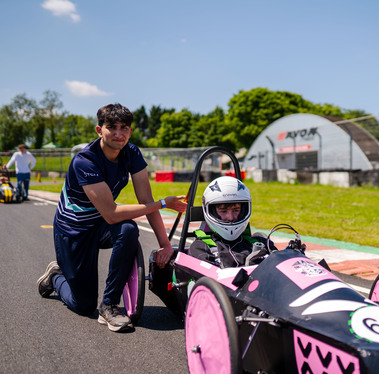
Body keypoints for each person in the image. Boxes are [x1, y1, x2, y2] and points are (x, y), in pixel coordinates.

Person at [36, 103, 187, 332]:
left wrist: (165, 245)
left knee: (128, 230)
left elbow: (146, 200)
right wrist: (164, 203)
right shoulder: (84, 161)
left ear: (130, 131)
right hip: (73, 231)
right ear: (99, 130)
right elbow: (111, 212)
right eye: (112, 127)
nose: (118, 133)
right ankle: (57, 276)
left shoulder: (132, 153)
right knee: (83, 305)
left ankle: (109, 306)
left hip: (100, 224)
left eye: (124, 127)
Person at [188, 176, 275, 268]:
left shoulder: (261, 243)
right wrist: (252, 268)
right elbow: (212, 279)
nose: (230, 218)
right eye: (223, 211)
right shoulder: (200, 248)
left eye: (236, 210)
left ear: (243, 210)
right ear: (210, 211)